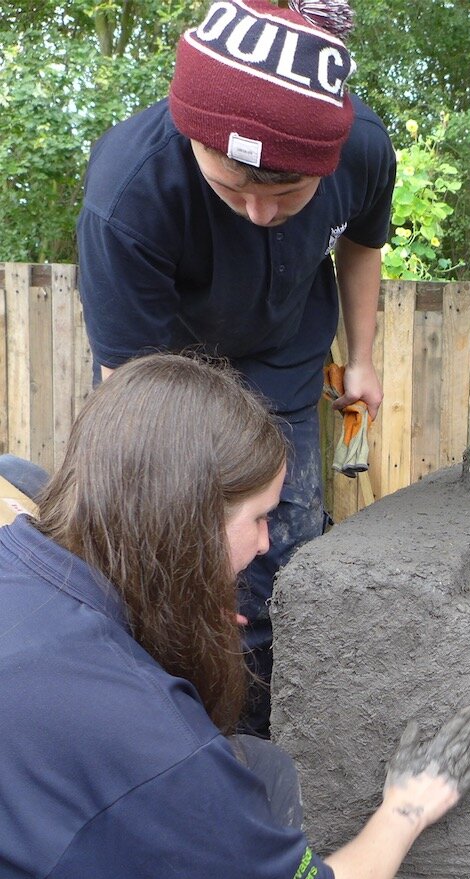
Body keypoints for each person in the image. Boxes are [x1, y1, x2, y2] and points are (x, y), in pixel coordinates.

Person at [0, 353, 470, 879]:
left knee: (262, 768)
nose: (266, 545)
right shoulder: (141, 735)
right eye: (260, 518)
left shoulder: (18, 556)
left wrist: (162, 605)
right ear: (185, 522)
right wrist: (405, 809)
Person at [76, 0, 394, 737]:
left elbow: (364, 244)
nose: (257, 214)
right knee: (188, 593)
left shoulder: (365, 147)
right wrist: (179, 565)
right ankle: (200, 743)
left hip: (286, 366)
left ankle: (282, 738)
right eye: (231, 189)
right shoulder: (129, 194)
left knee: (282, 568)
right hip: (175, 380)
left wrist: (366, 359)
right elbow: (136, 402)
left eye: (287, 196)